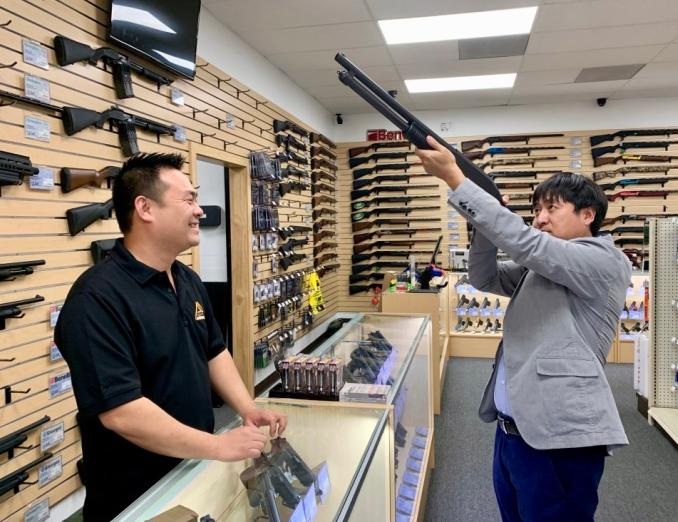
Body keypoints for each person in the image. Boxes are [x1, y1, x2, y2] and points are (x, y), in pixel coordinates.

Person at [54, 152, 287, 522]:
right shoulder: (95, 300)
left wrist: (248, 409)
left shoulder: (186, 278)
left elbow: (213, 352)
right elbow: (122, 413)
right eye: (188, 199)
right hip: (135, 497)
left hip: (193, 469)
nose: (199, 210)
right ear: (145, 208)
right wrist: (217, 445)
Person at [415, 136, 631, 522]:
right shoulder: (544, 265)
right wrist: (485, 223)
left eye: (551, 208)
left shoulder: (603, 260)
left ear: (588, 215)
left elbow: (528, 245)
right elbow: (484, 277)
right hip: (514, 433)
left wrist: (456, 179)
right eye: (536, 210)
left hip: (559, 438)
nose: (540, 218)